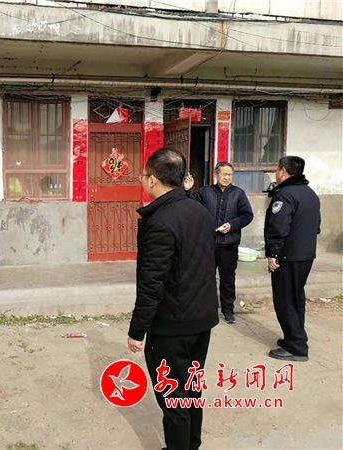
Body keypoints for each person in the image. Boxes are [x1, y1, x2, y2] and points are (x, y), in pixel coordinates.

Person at [127, 148, 218, 450]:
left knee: (174, 398)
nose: (143, 180)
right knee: (191, 390)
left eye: (143, 176)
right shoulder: (200, 211)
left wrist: (137, 330)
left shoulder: (161, 221)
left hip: (173, 326)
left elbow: (152, 284)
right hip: (201, 319)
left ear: (153, 179)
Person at [264, 156, 320, 362]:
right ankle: (293, 338)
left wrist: (273, 254)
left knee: (285, 299)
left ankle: (296, 347)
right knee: (296, 298)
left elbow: (278, 228)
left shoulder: (285, 194)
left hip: (287, 256)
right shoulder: (310, 193)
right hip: (305, 255)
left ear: (282, 171)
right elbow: (317, 226)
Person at [183, 162, 254, 324]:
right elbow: (189, 205)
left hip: (229, 245)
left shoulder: (238, 194)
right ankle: (204, 309)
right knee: (205, 278)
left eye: (230, 175)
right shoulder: (205, 192)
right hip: (208, 244)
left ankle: (228, 310)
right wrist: (187, 190)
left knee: (228, 279)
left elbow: (247, 215)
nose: (227, 177)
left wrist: (232, 225)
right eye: (224, 174)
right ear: (216, 174)